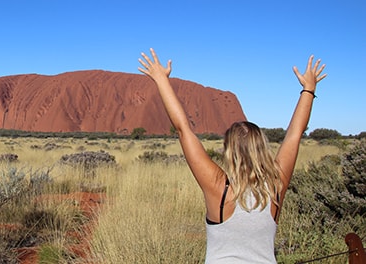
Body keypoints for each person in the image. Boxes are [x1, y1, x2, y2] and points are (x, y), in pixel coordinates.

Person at [138, 48, 326, 264]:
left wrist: (161, 80)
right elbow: (294, 134)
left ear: (229, 151)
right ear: (262, 147)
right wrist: (309, 89)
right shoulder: (275, 185)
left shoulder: (219, 189)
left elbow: (183, 129)